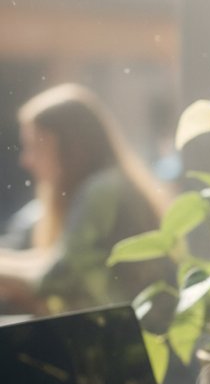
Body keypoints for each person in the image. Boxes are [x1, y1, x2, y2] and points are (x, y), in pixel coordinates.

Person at [0, 83, 172, 313]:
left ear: (69, 145)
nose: (26, 160)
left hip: (129, 337)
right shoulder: (101, 187)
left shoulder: (104, 189)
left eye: (35, 146)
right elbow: (50, 260)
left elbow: (59, 276)